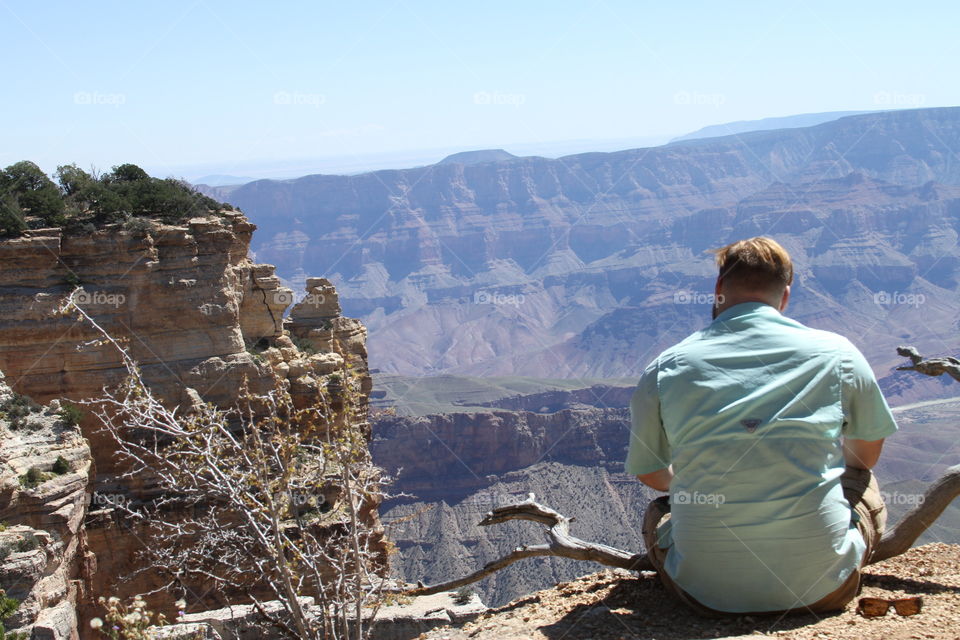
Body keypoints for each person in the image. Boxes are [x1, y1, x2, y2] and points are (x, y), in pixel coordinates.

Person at [626, 236, 897, 615]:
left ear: (719, 289)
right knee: (861, 481)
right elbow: (864, 457)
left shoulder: (666, 367)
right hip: (822, 590)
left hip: (702, 595)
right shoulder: (839, 353)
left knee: (662, 508)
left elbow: (651, 471)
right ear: (785, 295)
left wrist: (695, 483)